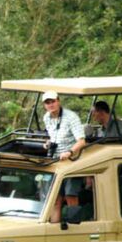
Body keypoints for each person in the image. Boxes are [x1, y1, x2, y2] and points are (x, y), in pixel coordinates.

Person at [41, 90, 86, 223]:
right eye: (48, 102)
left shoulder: (71, 117)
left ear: (58, 101)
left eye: (53, 101)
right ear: (44, 105)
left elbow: (82, 141)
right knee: (55, 198)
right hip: (55, 161)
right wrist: (48, 143)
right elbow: (53, 136)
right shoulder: (46, 117)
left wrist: (69, 152)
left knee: (70, 195)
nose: (51, 105)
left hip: (72, 160)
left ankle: (75, 225)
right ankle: (55, 227)